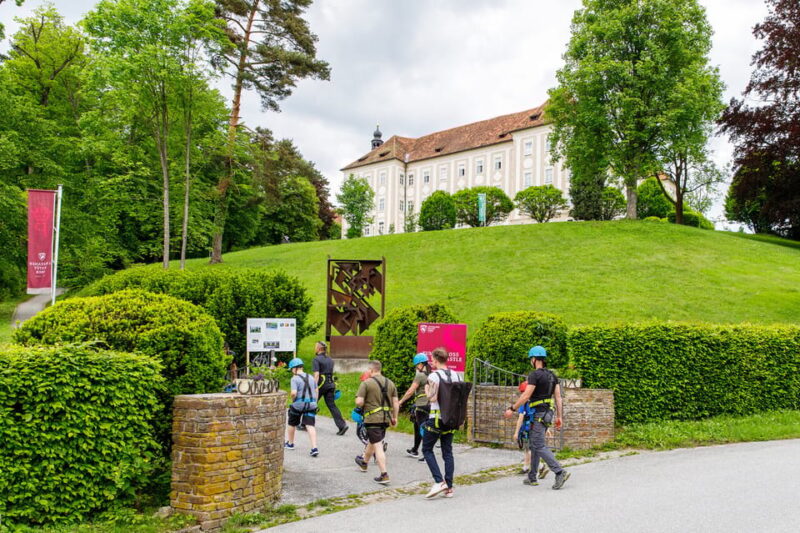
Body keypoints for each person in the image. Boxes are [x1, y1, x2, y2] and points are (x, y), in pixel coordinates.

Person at [503, 346, 570, 490]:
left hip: (538, 414)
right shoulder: (552, 376)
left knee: (538, 445)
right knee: (534, 444)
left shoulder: (534, 375)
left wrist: (512, 409)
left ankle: (559, 472)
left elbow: (526, 395)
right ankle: (532, 476)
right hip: (548, 414)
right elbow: (558, 397)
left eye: (531, 359)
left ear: (533, 359)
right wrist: (559, 416)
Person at [422, 347, 462, 499]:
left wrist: (426, 389)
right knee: (447, 451)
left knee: (426, 449)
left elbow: (432, 398)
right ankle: (449, 487)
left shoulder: (434, 376)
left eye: (432, 359)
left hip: (436, 418)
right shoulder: (456, 375)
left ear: (436, 360)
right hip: (451, 419)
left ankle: (439, 481)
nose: (431, 362)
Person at [354, 360, 399, 485]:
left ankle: (384, 474)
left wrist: (359, 401)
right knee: (373, 441)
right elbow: (395, 403)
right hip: (386, 418)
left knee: (377, 444)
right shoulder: (390, 383)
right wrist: (394, 417)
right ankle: (364, 462)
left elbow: (359, 402)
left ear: (371, 370)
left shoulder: (366, 383)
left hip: (372, 418)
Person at [398, 353, 431, 459]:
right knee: (417, 426)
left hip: (421, 405)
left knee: (422, 429)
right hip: (429, 405)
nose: (416, 367)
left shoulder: (420, 375)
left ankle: (426, 453)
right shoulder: (431, 374)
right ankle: (415, 449)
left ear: (421, 364)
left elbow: (411, 390)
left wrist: (401, 401)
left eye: (416, 365)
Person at [284, 358, 319, 457]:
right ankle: (314, 448)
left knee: (292, 422)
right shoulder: (311, 377)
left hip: (299, 405)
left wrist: (292, 399)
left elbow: (294, 393)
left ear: (295, 368)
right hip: (311, 404)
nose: (291, 371)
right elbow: (316, 390)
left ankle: (290, 443)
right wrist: (315, 402)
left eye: (291, 369)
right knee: (310, 425)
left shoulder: (294, 379)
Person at [312, 341, 348, 436]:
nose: (314, 348)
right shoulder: (330, 359)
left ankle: (304, 423)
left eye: (315, 347)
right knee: (332, 405)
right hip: (331, 384)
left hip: (321, 385)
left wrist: (314, 387)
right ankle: (342, 425)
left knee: (312, 402)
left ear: (319, 349)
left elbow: (316, 375)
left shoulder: (316, 359)